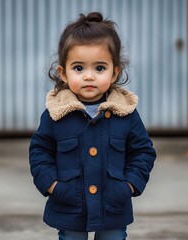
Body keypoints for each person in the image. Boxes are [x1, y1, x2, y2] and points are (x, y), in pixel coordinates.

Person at [29, 11, 156, 240]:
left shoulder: (125, 112)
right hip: (70, 204)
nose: (89, 76)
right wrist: (52, 186)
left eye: (99, 68)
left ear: (115, 72)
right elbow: (39, 152)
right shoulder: (55, 113)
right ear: (63, 73)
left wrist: (128, 186)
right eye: (79, 68)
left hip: (113, 206)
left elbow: (143, 152)